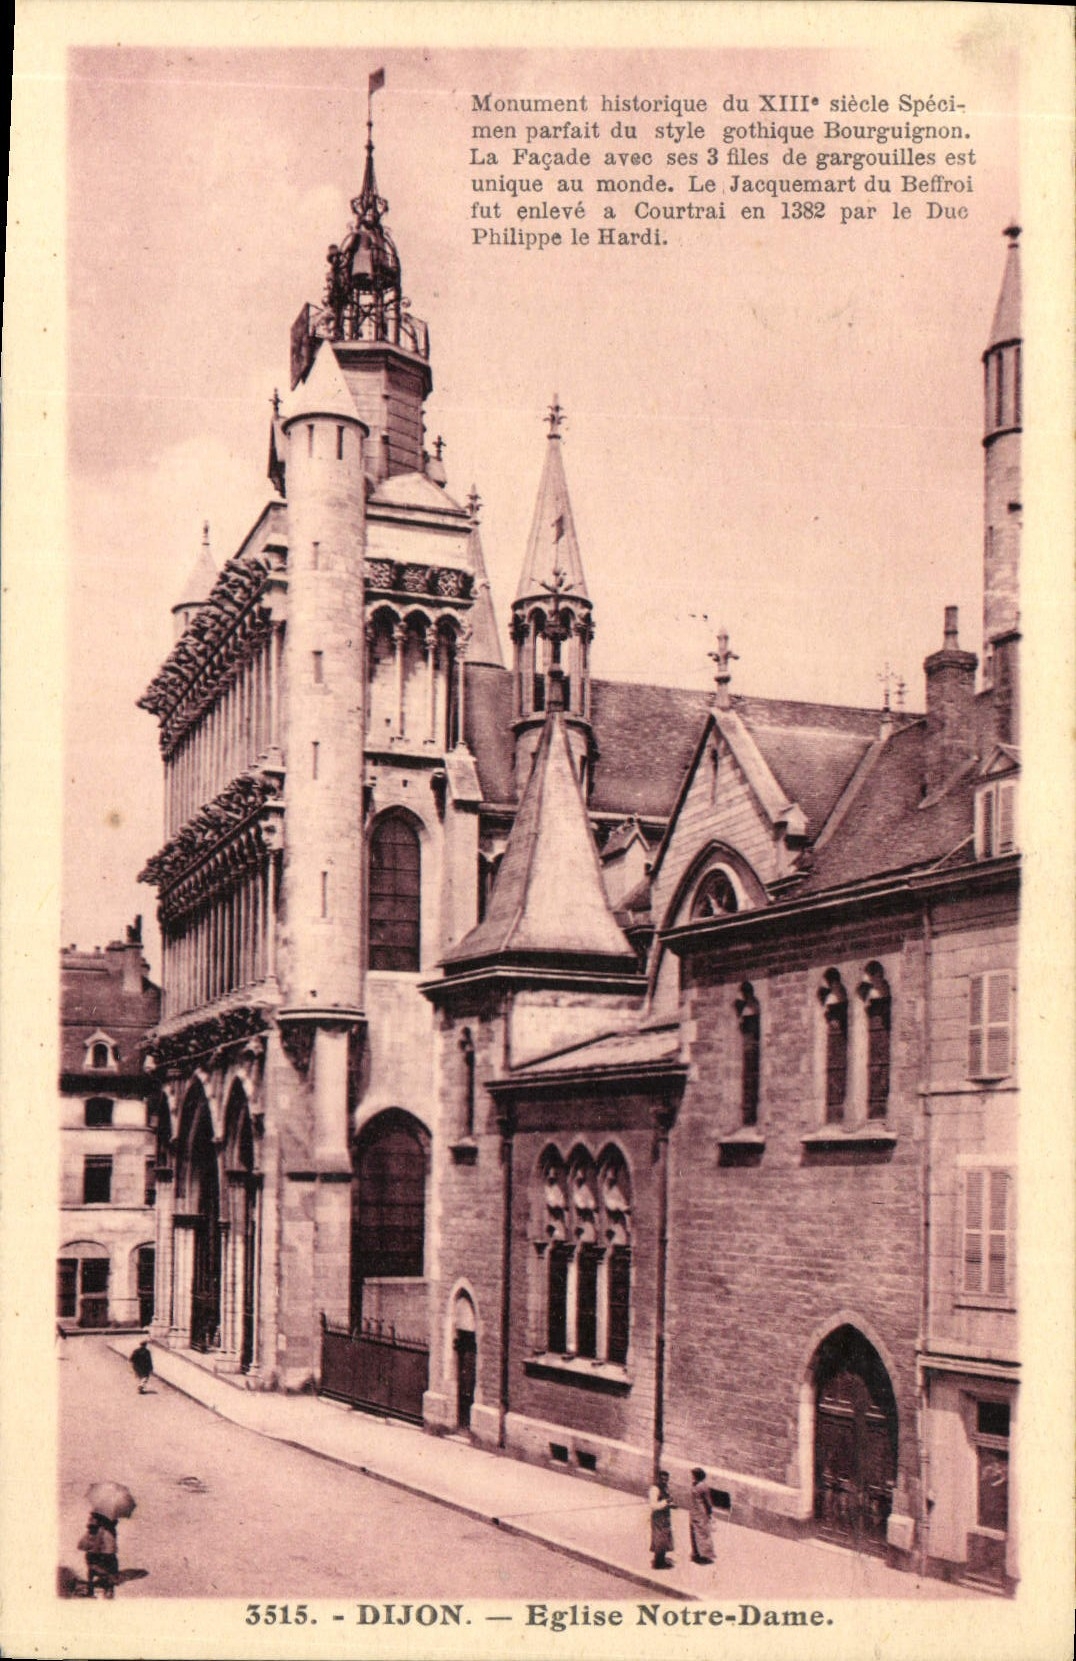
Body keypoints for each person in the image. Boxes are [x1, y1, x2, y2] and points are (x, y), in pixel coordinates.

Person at [78, 1511, 119, 1597]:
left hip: (100, 1559)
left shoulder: (102, 1531)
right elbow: (82, 1545)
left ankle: (94, 1589)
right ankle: (107, 1589)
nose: (90, 1520)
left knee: (92, 1564)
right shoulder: (106, 1530)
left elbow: (83, 1546)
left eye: (92, 1518)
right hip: (103, 1559)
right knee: (96, 1561)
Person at [648, 1469, 675, 1569]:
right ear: (658, 1479)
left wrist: (671, 1504)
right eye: (662, 1479)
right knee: (659, 1540)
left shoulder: (665, 1488)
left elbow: (667, 1500)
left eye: (666, 1480)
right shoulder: (654, 1489)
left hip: (665, 1516)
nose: (664, 1482)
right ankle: (658, 1563)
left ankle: (662, 1560)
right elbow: (653, 1506)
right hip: (658, 1517)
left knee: (665, 1539)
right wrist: (666, 1502)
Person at [689, 1467, 715, 1564]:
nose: (692, 1477)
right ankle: (697, 1554)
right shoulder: (695, 1485)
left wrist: (710, 1513)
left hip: (700, 1513)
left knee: (701, 1534)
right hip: (694, 1512)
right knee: (695, 1533)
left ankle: (704, 1555)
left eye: (693, 1475)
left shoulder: (702, 1486)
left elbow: (708, 1502)